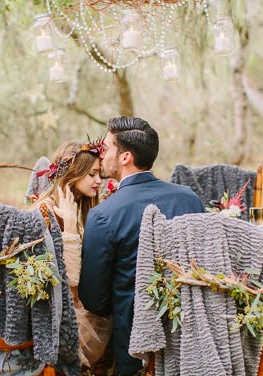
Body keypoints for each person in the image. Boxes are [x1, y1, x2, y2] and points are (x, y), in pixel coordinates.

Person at [78, 117, 205, 376]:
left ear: (125, 157)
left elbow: (95, 300)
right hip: (191, 339)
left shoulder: (104, 215)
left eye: (107, 148)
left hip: (135, 348)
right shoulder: (189, 199)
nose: (101, 155)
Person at [32, 140, 113, 373]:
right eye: (92, 174)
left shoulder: (80, 207)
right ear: (72, 173)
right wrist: (68, 227)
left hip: (72, 300)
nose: (99, 181)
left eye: (100, 174)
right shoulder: (45, 211)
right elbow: (69, 280)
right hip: (52, 309)